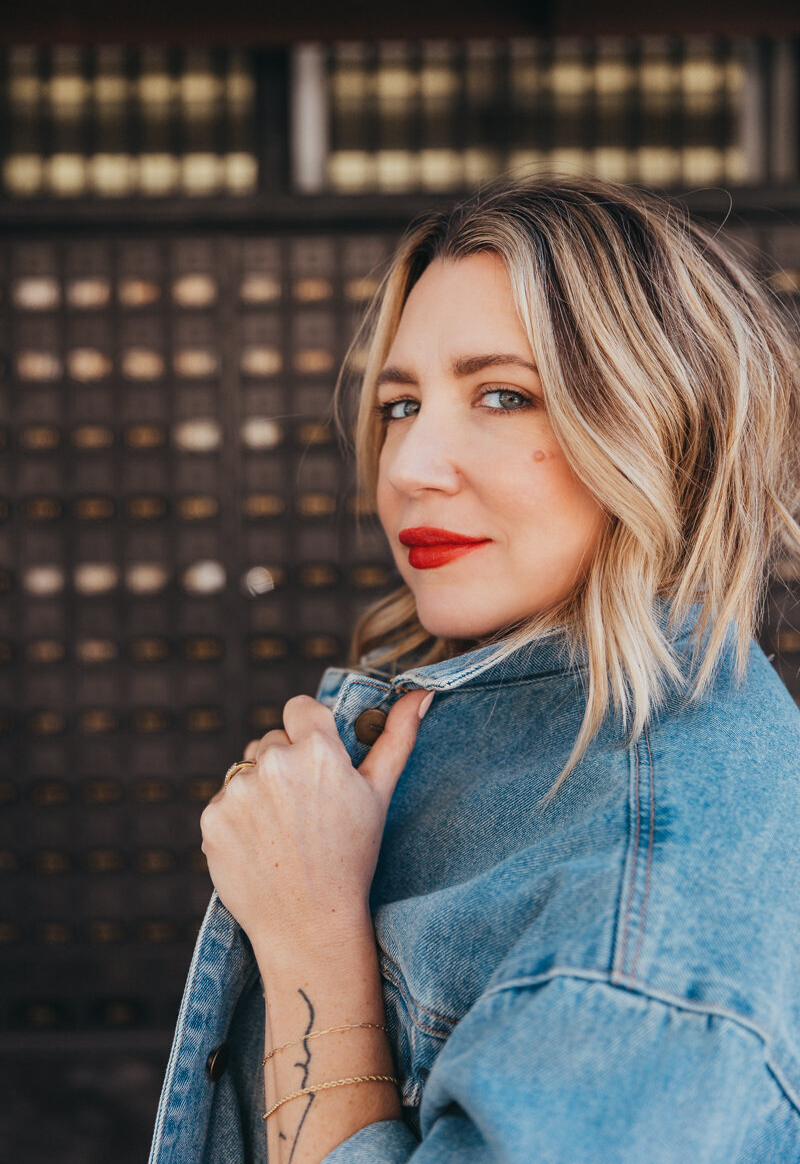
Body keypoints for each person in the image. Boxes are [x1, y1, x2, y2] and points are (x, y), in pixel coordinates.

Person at [148, 173, 800, 1164]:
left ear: (665, 424)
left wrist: (312, 938)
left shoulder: (645, 906)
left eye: (502, 395)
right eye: (401, 403)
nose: (407, 466)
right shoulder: (533, 734)